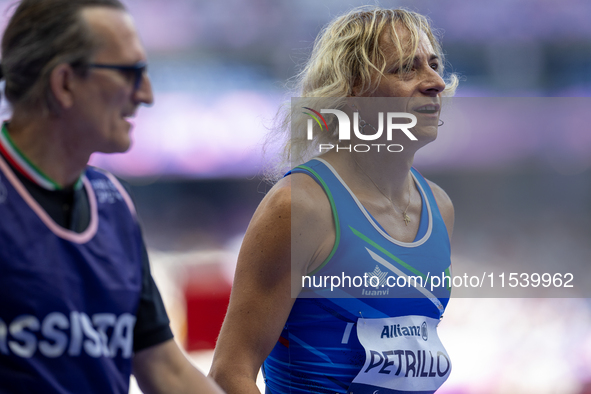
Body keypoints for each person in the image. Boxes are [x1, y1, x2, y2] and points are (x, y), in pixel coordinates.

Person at [210, 7, 458, 394]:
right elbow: (229, 374)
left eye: (434, 64)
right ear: (355, 89)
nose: (435, 82)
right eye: (407, 69)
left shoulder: (439, 209)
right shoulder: (301, 206)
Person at [0, 1, 223, 393]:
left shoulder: (113, 204)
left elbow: (164, 367)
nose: (147, 95)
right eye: (131, 73)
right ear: (65, 83)